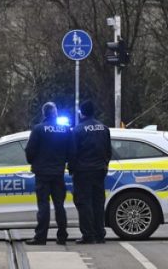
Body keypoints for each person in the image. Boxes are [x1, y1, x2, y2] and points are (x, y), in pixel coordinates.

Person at [25, 101, 75, 246]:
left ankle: (41, 237)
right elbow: (71, 151)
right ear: (56, 113)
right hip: (58, 172)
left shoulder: (38, 129)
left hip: (42, 173)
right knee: (59, 205)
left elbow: (30, 151)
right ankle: (62, 236)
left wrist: (34, 162)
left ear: (44, 113)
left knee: (43, 205)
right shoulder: (65, 130)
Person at [71, 100, 112, 244]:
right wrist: (104, 165)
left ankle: (88, 235)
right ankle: (100, 234)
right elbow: (108, 151)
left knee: (84, 203)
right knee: (98, 202)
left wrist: (72, 168)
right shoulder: (104, 128)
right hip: (99, 171)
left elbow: (73, 153)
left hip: (83, 172)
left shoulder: (78, 130)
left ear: (81, 113)